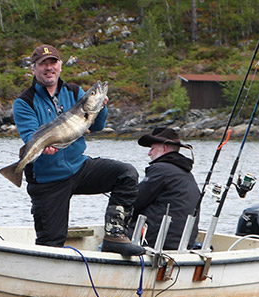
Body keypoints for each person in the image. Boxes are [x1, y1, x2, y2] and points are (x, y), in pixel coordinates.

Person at [12, 44, 144, 256]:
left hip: (78, 167)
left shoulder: (75, 92)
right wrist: (43, 147)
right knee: (50, 244)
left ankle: (114, 235)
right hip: (47, 179)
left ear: (60, 66)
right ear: (33, 69)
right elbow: (29, 135)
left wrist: (102, 106)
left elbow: (97, 125)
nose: (49, 68)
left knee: (126, 174)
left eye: (53, 63)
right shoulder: (24, 102)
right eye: (42, 64)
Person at [130, 127, 200, 250]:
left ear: (164, 148)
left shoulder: (160, 169)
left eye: (152, 148)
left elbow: (135, 201)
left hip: (159, 242)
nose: (149, 153)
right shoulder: (186, 174)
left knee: (110, 240)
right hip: (184, 243)